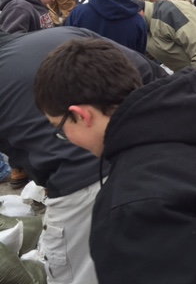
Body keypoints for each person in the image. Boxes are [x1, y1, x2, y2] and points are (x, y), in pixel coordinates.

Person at [34, 37, 196, 284]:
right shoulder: (195, 127)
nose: (64, 138)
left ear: (81, 115)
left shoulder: (134, 205)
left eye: (60, 128)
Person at [0, 26, 163, 284]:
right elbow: (143, 69)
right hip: (140, 154)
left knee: (75, 273)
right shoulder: (63, 34)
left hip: (76, 181)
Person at [132, 0, 196, 73]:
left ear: (140, 13)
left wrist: (195, 83)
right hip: (195, 74)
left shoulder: (169, 13)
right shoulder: (142, 28)